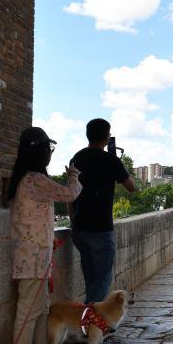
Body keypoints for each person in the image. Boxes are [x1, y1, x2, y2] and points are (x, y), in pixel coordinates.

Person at [7, 127, 82, 344]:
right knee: (28, 311)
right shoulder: (35, 180)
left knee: (39, 309)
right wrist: (73, 175)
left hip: (35, 257)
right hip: (33, 259)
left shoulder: (25, 179)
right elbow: (69, 193)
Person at [69, 119, 137, 305]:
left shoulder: (76, 158)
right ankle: (90, 322)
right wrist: (119, 164)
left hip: (79, 227)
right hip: (101, 228)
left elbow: (70, 193)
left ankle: (88, 322)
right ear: (107, 137)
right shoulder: (110, 160)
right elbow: (131, 186)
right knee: (102, 280)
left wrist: (72, 221)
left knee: (91, 278)